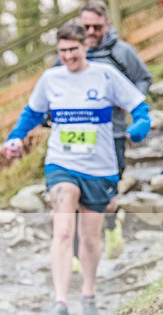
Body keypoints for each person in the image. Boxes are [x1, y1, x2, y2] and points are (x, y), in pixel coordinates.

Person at [3, 23, 150, 315]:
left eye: (73, 50)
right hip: (61, 163)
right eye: (62, 51)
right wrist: (15, 137)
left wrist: (140, 125)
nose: (68, 56)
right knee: (63, 231)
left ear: (85, 47)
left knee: (89, 237)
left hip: (99, 168)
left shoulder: (105, 75)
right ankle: (60, 302)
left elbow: (138, 105)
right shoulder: (51, 79)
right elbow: (31, 113)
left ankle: (89, 296)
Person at [74, 1, 153, 259]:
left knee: (106, 195)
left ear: (107, 25)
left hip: (114, 134)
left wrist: (129, 101)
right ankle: (76, 254)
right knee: (73, 192)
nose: (92, 32)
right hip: (76, 136)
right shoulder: (70, 54)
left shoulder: (122, 52)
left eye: (97, 26)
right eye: (86, 26)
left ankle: (110, 225)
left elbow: (144, 78)